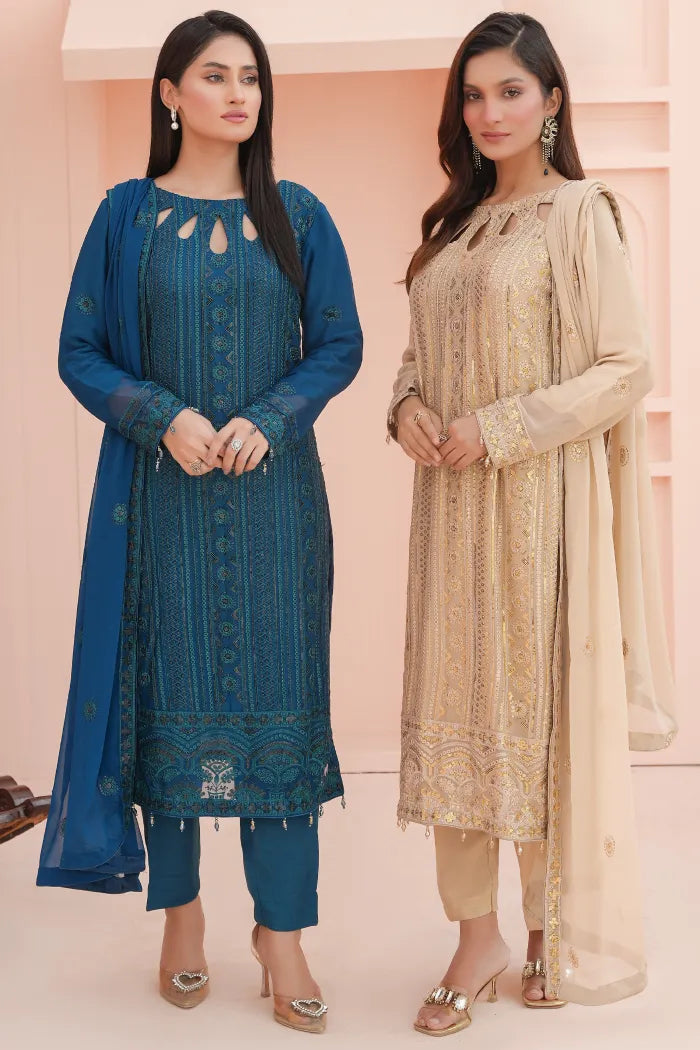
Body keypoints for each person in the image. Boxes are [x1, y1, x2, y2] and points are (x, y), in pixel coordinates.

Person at [37, 10, 362, 1034]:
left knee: (283, 711)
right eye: (214, 76)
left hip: (274, 508)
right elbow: (79, 349)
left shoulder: (298, 216)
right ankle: (180, 917)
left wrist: (270, 418)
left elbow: (339, 344)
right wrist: (161, 417)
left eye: (251, 77)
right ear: (169, 94)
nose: (237, 94)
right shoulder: (125, 217)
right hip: (160, 505)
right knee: (164, 708)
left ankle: (283, 932)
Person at [386, 10, 675, 1035]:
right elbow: (418, 358)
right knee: (455, 722)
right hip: (450, 515)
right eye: (473, 95)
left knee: (536, 718)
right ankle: (478, 938)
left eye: (510, 90)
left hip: (541, 510)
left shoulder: (582, 213)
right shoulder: (453, 228)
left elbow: (625, 367)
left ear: (551, 100)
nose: (489, 112)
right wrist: (406, 408)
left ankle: (551, 928)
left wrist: (499, 427)